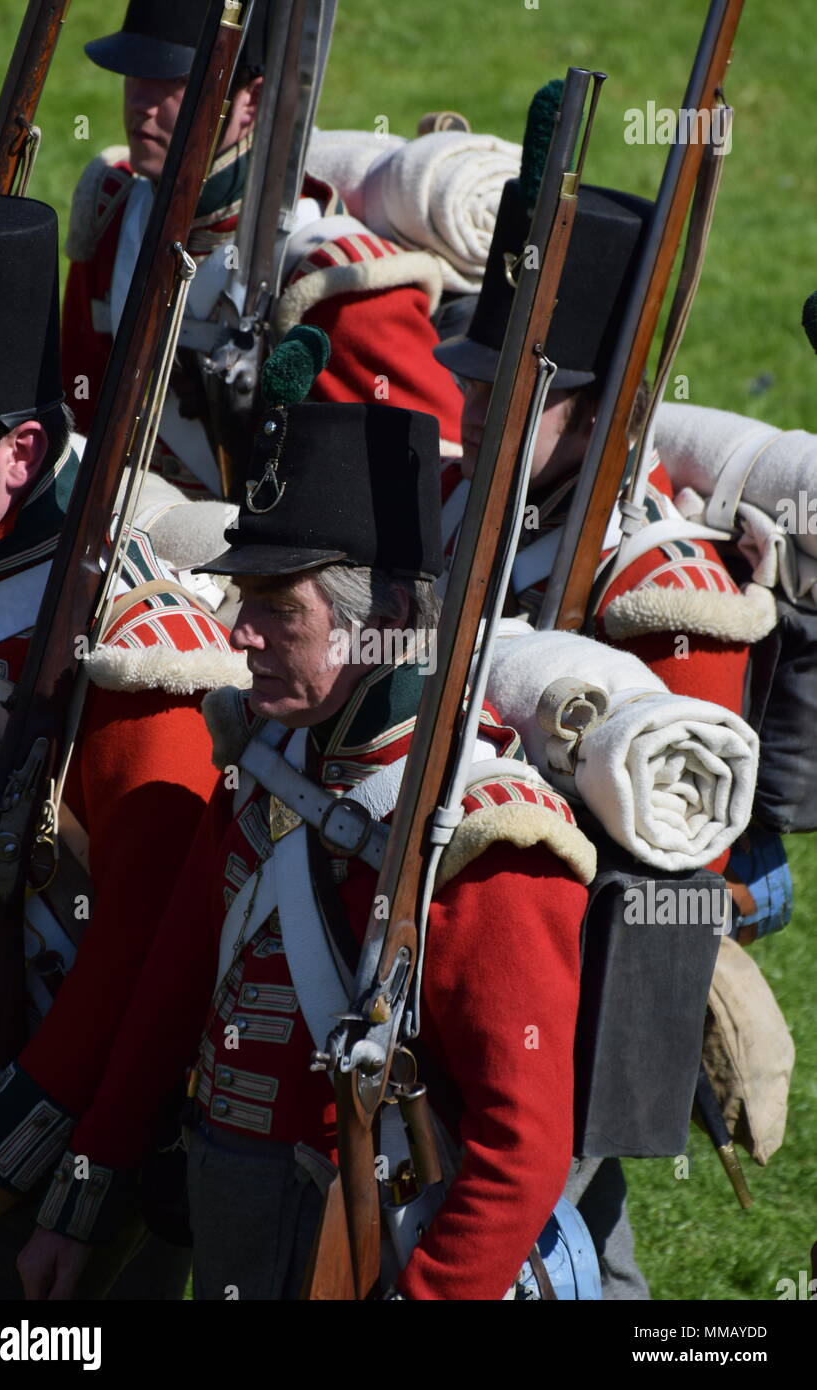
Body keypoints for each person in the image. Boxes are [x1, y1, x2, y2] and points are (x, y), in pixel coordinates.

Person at [6, 395, 598, 1301]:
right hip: (230, 1217)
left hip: (359, 1246)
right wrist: (79, 1202)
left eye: (278, 607)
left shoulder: (484, 834)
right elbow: (171, 994)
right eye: (243, 596)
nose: (239, 631)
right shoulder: (265, 761)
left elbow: (521, 1149)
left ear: (387, 614)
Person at [434, 122, 778, 1298]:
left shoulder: (666, 584)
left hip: (583, 967)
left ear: (592, 414)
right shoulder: (476, 507)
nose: (476, 413)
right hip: (453, 933)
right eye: (478, 384)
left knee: (545, 1240)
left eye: (512, 396)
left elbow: (678, 852)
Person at [0, 192, 247, 1298]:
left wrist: (15, 1156)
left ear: (17, 451)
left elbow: (143, 947)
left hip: (30, 1143)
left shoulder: (136, 649)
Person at [62, 0, 465, 497]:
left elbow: (428, 483)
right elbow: (77, 411)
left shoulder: (327, 280)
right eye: (135, 75)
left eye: (174, 84)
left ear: (250, 101)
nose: (142, 102)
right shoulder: (113, 217)